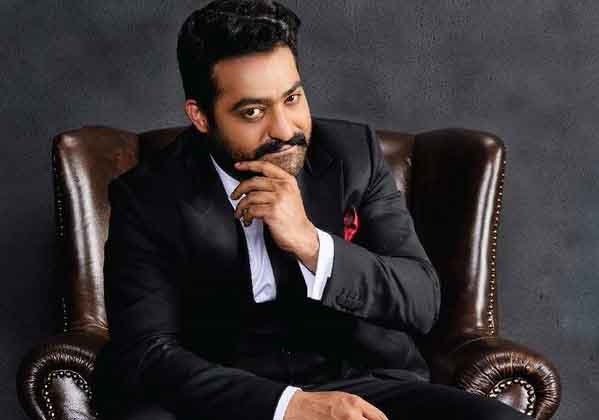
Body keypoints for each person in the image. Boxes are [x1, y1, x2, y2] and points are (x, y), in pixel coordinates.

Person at [92, 1, 531, 419]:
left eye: (292, 98)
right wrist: (287, 407)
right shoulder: (148, 196)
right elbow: (147, 352)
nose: (285, 130)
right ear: (201, 116)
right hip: (230, 398)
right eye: (253, 112)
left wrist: (311, 244)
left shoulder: (352, 156)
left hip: (363, 384)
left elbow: (421, 300)